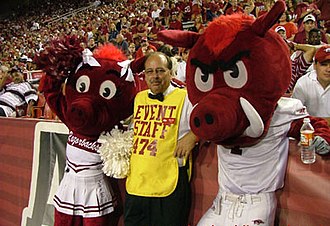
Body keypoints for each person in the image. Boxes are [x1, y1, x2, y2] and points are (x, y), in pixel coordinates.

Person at [124, 52, 197, 226]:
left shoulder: (185, 97)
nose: (154, 76)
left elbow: (210, 121)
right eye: (149, 72)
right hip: (137, 184)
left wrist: (194, 136)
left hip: (169, 184)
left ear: (171, 72)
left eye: (160, 71)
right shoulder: (139, 98)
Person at [292, 45, 330, 125]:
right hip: (311, 131)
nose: (328, 69)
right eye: (324, 64)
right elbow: (296, 118)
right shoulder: (302, 84)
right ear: (315, 65)